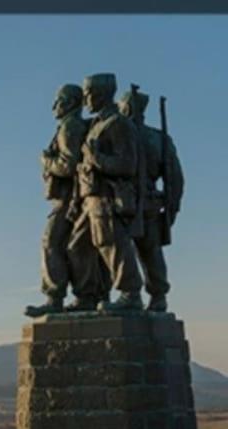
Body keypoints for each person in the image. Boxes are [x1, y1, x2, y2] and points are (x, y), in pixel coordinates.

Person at [25, 84, 100, 317]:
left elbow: (68, 166)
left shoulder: (70, 127)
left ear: (69, 103)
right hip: (74, 197)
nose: (53, 107)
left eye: (57, 101)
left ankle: (55, 296)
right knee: (76, 247)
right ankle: (83, 295)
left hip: (70, 198)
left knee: (52, 242)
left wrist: (47, 162)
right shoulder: (72, 126)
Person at [73, 73, 145, 312]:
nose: (85, 100)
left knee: (112, 243)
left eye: (88, 94)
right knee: (78, 246)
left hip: (108, 196)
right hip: (89, 197)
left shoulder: (118, 124)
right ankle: (87, 295)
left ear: (102, 94)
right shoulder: (96, 124)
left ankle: (130, 293)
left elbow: (127, 164)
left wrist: (97, 159)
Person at [117, 89, 184, 312]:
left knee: (130, 250)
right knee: (149, 252)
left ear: (126, 108)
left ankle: (139, 295)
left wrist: (170, 209)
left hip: (128, 203)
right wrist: (171, 208)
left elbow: (174, 178)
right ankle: (156, 296)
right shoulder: (158, 138)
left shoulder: (123, 135)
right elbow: (175, 179)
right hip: (146, 203)